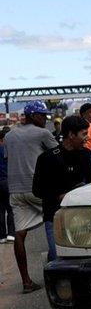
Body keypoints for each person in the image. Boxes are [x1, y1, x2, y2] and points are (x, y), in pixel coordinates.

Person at [4, 101, 58, 293]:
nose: (45, 119)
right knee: (55, 221)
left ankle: (26, 282)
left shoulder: (9, 136)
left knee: (20, 233)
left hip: (16, 191)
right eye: (42, 115)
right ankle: (57, 278)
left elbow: (9, 158)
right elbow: (58, 155)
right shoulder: (42, 133)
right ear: (33, 116)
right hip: (38, 188)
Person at [32, 115, 91, 264]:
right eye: (84, 134)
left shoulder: (87, 155)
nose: (87, 138)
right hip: (55, 218)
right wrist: (61, 196)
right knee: (57, 259)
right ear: (71, 135)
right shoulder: (47, 158)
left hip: (83, 218)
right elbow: (37, 189)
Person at [0, 127, 16, 242]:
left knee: (0, 210)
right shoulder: (8, 150)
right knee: (10, 208)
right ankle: (11, 234)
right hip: (7, 181)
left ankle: (1, 236)